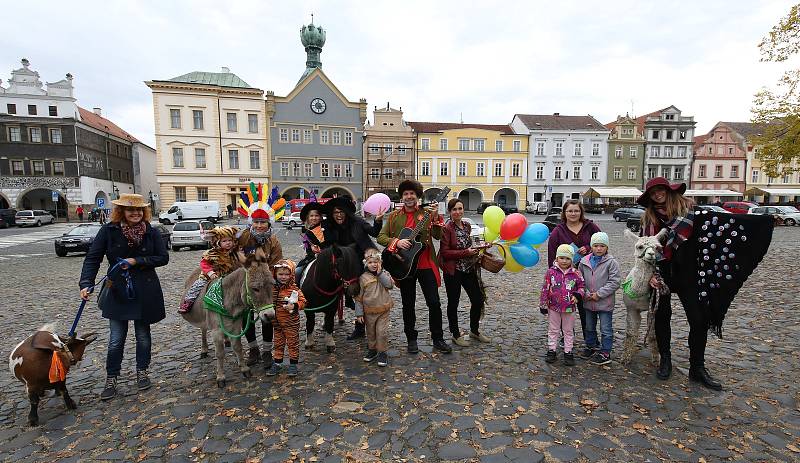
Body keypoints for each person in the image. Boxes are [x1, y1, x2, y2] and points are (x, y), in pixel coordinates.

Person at [78, 193, 169, 400]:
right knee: (116, 339)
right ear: (122, 211)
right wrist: (86, 283)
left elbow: (163, 258)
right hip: (118, 289)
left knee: (143, 336)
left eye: (139, 210)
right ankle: (111, 377)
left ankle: (142, 371)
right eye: (131, 210)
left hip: (145, 290)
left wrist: (138, 261)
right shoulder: (108, 231)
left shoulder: (151, 231)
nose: (135, 213)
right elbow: (93, 258)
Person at [377, 179, 452, 354]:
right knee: (408, 304)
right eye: (405, 194)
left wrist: (435, 218)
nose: (409, 197)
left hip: (425, 263)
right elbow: (381, 237)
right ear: (402, 197)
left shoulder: (426, 213)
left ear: (417, 196)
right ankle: (411, 338)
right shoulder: (395, 217)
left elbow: (438, 236)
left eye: (412, 193)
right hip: (405, 265)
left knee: (434, 302)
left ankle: (438, 338)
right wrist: (397, 242)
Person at [321, 196, 382, 338]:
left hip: (363, 259)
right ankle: (330, 315)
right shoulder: (330, 225)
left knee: (361, 294)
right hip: (344, 262)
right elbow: (328, 244)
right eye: (335, 212)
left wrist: (378, 221)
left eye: (341, 211)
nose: (338, 215)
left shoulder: (357, 221)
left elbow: (374, 232)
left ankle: (360, 329)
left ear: (346, 212)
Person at [547, 199, 601, 348]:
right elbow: (552, 255)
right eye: (570, 211)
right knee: (565, 307)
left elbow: (602, 244)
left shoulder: (590, 227)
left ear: (581, 212)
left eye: (576, 210)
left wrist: (588, 248)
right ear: (564, 213)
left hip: (590, 273)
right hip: (566, 278)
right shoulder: (559, 231)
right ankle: (567, 337)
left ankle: (590, 338)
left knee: (587, 308)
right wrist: (553, 277)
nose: (573, 213)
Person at [237, 204, 283, 368]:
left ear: (269, 224)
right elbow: (236, 256)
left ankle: (266, 351)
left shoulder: (274, 241)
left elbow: (277, 262)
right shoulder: (243, 237)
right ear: (251, 223)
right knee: (246, 317)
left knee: (268, 318)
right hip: (247, 283)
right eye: (256, 222)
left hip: (265, 285)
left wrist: (267, 275)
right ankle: (253, 349)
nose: (259, 225)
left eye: (263, 222)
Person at [439, 198, 489, 347]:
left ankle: (474, 331)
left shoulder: (467, 225)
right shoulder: (447, 228)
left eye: (460, 209)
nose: (458, 212)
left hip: (468, 268)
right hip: (453, 271)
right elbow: (445, 253)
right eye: (454, 209)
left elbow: (471, 243)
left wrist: (482, 247)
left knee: (478, 300)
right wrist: (465, 252)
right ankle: (455, 334)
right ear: (450, 212)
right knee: (453, 303)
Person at [577, 232, 621, 365]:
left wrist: (599, 294)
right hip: (588, 301)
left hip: (604, 303)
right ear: (591, 247)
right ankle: (591, 346)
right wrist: (585, 293)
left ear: (606, 247)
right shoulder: (584, 262)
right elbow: (579, 280)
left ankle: (606, 351)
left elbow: (614, 282)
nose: (599, 248)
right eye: (596, 245)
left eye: (602, 246)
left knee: (605, 328)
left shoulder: (611, 262)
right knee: (589, 326)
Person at [540, 244, 585, 366]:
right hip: (553, 306)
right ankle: (552, 350)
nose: (564, 261)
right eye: (561, 258)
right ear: (557, 258)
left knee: (568, 330)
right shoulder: (551, 272)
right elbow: (545, 288)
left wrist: (577, 295)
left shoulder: (576, 273)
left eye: (567, 258)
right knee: (553, 329)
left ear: (572, 259)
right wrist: (543, 304)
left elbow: (582, 286)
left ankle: (568, 351)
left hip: (569, 307)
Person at [178, 226, 239, 314]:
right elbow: (204, 264)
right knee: (197, 286)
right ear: (217, 242)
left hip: (227, 275)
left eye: (230, 240)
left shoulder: (234, 253)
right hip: (209, 276)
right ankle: (188, 302)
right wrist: (210, 273)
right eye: (224, 241)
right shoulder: (211, 253)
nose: (228, 243)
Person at [354, 249, 394, 367]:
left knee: (381, 332)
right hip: (369, 312)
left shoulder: (384, 274)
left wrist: (380, 273)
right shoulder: (362, 278)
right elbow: (359, 297)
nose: (374, 264)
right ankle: (373, 350)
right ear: (366, 264)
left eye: (376, 262)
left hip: (383, 309)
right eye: (370, 262)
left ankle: (382, 352)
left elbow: (390, 285)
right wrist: (359, 314)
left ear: (380, 262)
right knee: (371, 333)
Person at [267, 259, 306, 377]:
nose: (283, 277)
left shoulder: (294, 289)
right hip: (276, 323)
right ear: (275, 274)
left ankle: (293, 364)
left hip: (291, 323)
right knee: (278, 343)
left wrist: (294, 306)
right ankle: (277, 362)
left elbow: (303, 302)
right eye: (280, 274)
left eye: (286, 274)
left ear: (291, 275)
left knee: (292, 343)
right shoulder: (272, 289)